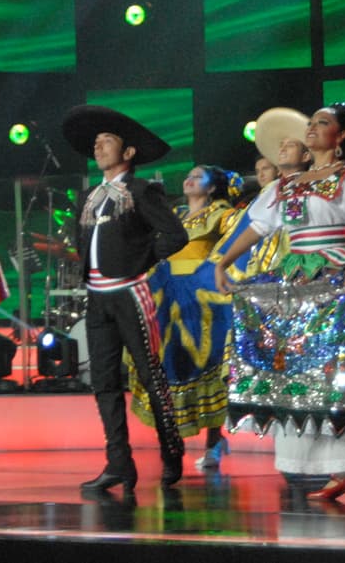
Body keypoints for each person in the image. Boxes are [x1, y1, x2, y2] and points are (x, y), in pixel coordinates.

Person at [215, 104, 345, 501]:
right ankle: (337, 469)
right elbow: (258, 226)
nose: (312, 129)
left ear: (341, 137)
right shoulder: (288, 184)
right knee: (301, 374)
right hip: (296, 282)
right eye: (310, 124)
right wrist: (223, 260)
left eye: (322, 123)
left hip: (339, 274)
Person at [61, 104, 188, 493]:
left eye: (107, 141)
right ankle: (119, 462)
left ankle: (171, 450)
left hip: (131, 293)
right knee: (103, 382)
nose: (98, 148)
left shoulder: (141, 190)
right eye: (95, 143)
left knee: (150, 376)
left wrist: (140, 259)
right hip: (97, 299)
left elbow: (175, 235)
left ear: (128, 152)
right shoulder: (89, 195)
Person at [130, 165, 241, 471]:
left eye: (198, 176)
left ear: (213, 187)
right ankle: (171, 440)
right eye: (188, 175)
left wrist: (214, 274)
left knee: (208, 363)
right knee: (166, 363)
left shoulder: (224, 214)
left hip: (203, 298)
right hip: (166, 295)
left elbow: (239, 244)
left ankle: (214, 441)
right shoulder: (174, 214)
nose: (189, 179)